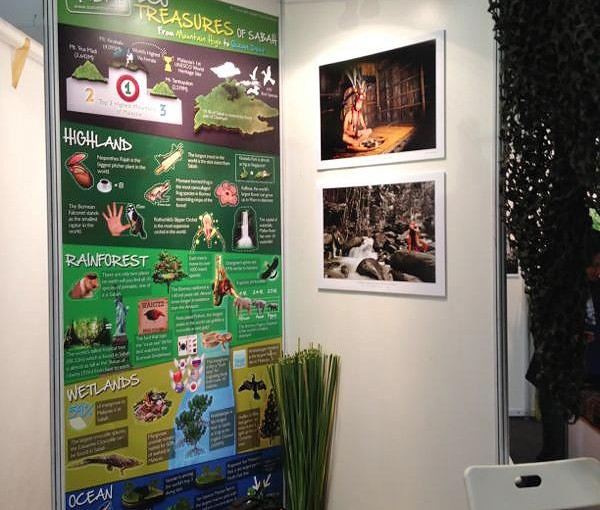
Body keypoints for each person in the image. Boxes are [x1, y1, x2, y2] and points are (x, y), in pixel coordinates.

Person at [341, 68, 372, 149]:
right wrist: (355, 134)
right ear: (354, 103)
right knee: (343, 137)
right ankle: (356, 142)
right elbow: (344, 130)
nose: (359, 106)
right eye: (358, 104)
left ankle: (356, 142)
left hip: (356, 136)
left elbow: (364, 126)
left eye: (361, 104)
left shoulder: (359, 114)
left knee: (369, 130)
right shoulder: (349, 114)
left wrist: (362, 132)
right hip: (350, 135)